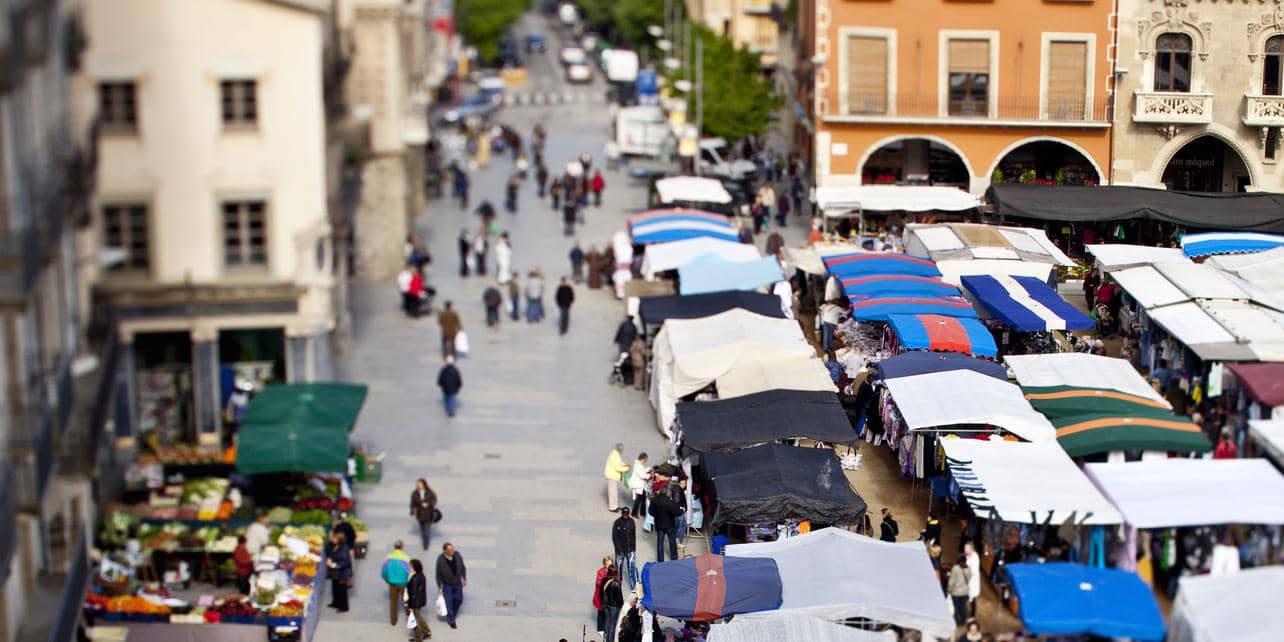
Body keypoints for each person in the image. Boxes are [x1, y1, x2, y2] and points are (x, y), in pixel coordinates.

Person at [434, 543, 466, 629]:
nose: (452, 551)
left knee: (459, 599)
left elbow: (463, 567)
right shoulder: (440, 559)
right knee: (449, 602)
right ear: (445, 551)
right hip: (447, 584)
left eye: (452, 549)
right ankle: (451, 620)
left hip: (457, 583)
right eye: (450, 550)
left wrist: (464, 578)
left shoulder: (457, 555)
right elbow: (438, 574)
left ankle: (452, 614)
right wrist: (440, 587)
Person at [381, 540, 412, 626]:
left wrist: (388, 580)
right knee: (406, 600)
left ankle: (393, 620)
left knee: (393, 602)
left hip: (392, 583)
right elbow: (410, 572)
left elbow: (384, 572)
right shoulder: (406, 558)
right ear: (402, 547)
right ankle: (410, 616)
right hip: (403, 583)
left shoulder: (388, 558)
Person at [649, 486, 681, 562]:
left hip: (659, 524)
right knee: (672, 541)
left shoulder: (654, 500)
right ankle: (674, 558)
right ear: (667, 492)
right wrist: (681, 510)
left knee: (660, 543)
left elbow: (651, 511)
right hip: (669, 524)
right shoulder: (669, 502)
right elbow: (676, 512)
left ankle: (660, 560)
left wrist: (656, 515)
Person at [405, 558, 432, 641]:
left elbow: (413, 594)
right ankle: (427, 631)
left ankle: (418, 639)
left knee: (416, 621)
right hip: (419, 601)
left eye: (410, 566)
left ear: (414, 567)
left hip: (415, 602)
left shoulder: (415, 578)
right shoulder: (420, 575)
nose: (409, 567)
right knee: (418, 617)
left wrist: (410, 605)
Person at [326, 530, 353, 612]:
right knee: (335, 588)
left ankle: (344, 607)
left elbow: (345, 561)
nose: (333, 539)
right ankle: (336, 602)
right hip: (336, 573)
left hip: (342, 573)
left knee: (342, 590)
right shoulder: (336, 546)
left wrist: (335, 565)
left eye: (335, 538)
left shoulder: (344, 548)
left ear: (339, 540)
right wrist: (330, 559)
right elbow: (331, 553)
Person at [611, 508, 637, 590]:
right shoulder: (617, 522)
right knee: (618, 567)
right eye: (624, 514)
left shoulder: (632, 522)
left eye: (627, 514)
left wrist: (633, 548)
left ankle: (634, 585)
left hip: (630, 549)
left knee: (632, 567)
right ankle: (618, 583)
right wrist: (618, 549)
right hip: (620, 550)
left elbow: (633, 535)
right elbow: (614, 537)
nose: (625, 515)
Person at [410, 479, 438, 550]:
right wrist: (412, 511)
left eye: (420, 484)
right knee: (422, 529)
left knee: (427, 530)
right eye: (418, 484)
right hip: (420, 514)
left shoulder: (429, 492)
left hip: (428, 514)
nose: (418, 485)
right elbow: (413, 503)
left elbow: (434, 500)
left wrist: (428, 504)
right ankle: (424, 539)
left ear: (424, 484)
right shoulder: (415, 493)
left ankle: (426, 544)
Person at [603, 443, 630, 512]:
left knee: (614, 491)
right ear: (620, 449)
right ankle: (612, 507)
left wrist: (625, 464)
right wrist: (626, 469)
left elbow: (620, 463)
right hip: (612, 476)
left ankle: (615, 505)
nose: (622, 451)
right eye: (622, 449)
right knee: (612, 492)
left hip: (614, 476)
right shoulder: (615, 456)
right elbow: (617, 467)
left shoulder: (616, 455)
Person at [600, 566, 624, 642]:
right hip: (614, 606)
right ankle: (610, 640)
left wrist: (602, 602)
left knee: (607, 622)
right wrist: (622, 605)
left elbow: (600, 592)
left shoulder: (604, 580)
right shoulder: (616, 583)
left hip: (605, 604)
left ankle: (605, 638)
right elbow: (619, 596)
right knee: (612, 625)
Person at [947, 557, 971, 626]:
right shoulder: (969, 568)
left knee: (956, 608)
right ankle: (963, 621)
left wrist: (949, 590)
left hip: (956, 592)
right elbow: (969, 579)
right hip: (965, 592)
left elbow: (951, 581)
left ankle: (957, 622)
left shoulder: (955, 568)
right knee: (963, 607)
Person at [592, 556, 611, 636]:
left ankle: (608, 627)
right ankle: (600, 629)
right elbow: (598, 582)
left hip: (610, 596)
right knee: (601, 612)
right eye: (608, 564)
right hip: (601, 596)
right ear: (604, 564)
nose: (609, 566)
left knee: (608, 612)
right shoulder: (601, 572)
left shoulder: (613, 570)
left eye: (610, 564)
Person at [628, 453, 651, 517]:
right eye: (645, 460)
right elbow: (641, 475)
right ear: (642, 459)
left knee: (643, 498)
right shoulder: (638, 466)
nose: (645, 462)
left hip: (641, 485)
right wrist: (649, 475)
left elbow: (642, 471)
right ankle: (634, 513)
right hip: (639, 485)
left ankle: (642, 512)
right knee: (639, 499)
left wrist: (648, 469)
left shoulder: (639, 465)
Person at [964, 541, 981, 617]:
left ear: (972, 549)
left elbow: (973, 571)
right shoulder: (969, 555)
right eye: (965, 548)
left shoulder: (975, 557)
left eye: (967, 548)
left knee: (972, 599)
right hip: (968, 581)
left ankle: (972, 615)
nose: (965, 549)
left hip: (972, 581)